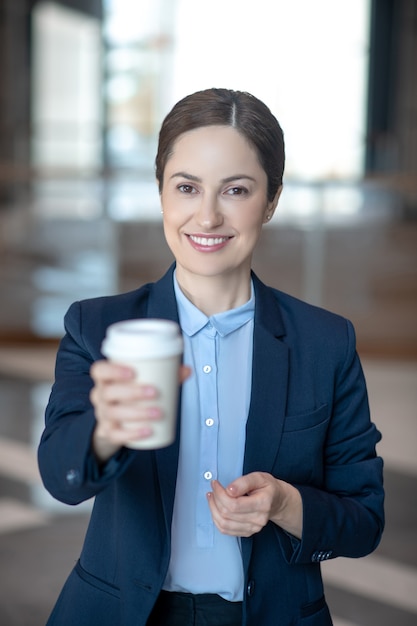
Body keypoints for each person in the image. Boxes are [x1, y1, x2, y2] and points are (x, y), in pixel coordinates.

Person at [38, 88, 384, 626]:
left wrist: (284, 504)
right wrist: (106, 429)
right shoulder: (98, 327)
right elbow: (61, 478)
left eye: (236, 190)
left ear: (270, 201)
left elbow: (363, 520)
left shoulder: (325, 343)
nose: (207, 215)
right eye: (186, 187)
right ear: (161, 194)